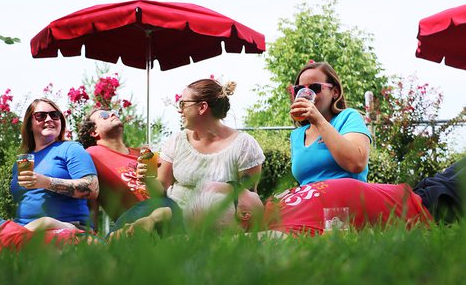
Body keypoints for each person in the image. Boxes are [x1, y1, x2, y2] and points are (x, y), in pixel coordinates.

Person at [184, 159, 465, 236]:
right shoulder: (284, 231)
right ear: (242, 216)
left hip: (422, 191)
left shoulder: (272, 207)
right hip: (438, 206)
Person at [142, 78, 266, 211]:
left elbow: (249, 198)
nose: (179, 110)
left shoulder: (244, 145)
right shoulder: (177, 140)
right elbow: (160, 194)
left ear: (202, 107)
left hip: (218, 223)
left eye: (183, 104)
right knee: (141, 212)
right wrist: (148, 179)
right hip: (172, 216)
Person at [0, 182, 171, 251]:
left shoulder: (83, 258)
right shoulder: (92, 240)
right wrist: (151, 220)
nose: (128, 229)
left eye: (129, 234)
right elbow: (166, 208)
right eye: (129, 229)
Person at [78, 108, 183, 234]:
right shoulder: (91, 154)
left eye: (114, 113)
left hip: (162, 212)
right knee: (167, 207)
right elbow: (90, 200)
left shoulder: (141, 154)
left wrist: (149, 180)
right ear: (93, 132)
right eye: (104, 115)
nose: (112, 114)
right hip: (129, 218)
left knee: (168, 205)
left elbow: (160, 194)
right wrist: (91, 234)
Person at [10, 98, 98, 229]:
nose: (49, 119)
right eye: (41, 116)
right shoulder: (23, 161)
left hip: (67, 227)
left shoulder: (71, 148)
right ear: (29, 124)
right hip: (23, 229)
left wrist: (46, 182)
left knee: (44, 223)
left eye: (54, 115)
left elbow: (92, 188)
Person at [289, 61, 371, 186]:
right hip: (312, 203)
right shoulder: (297, 135)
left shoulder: (348, 117)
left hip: (345, 202)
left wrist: (319, 120)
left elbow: (356, 164)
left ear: (335, 92)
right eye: (300, 89)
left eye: (314, 88)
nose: (306, 94)